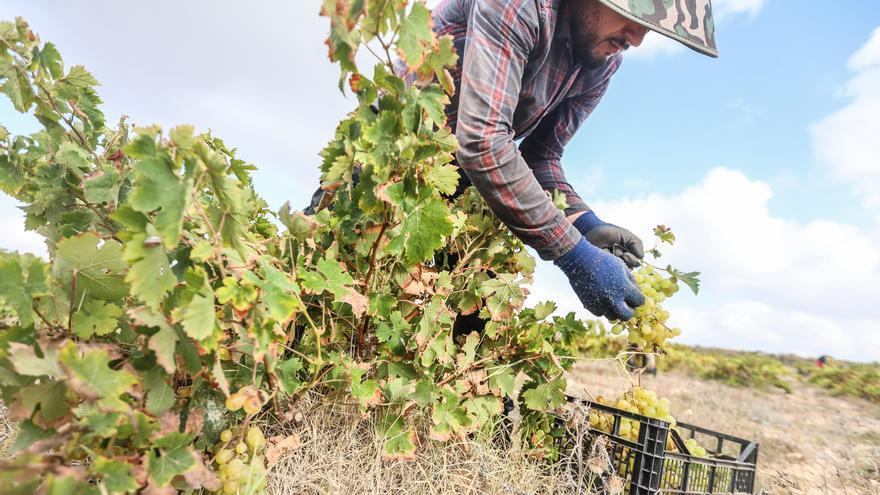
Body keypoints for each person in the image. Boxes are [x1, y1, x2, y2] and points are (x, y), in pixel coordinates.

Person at [309, 0, 718, 325]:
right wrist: (573, 254)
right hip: (391, 156)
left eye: (652, 25)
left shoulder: (601, 61)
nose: (639, 37)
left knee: (467, 321)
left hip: (468, 183)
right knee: (327, 286)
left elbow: (541, 158)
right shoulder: (519, 5)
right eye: (633, 11)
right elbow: (484, 142)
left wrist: (586, 225)